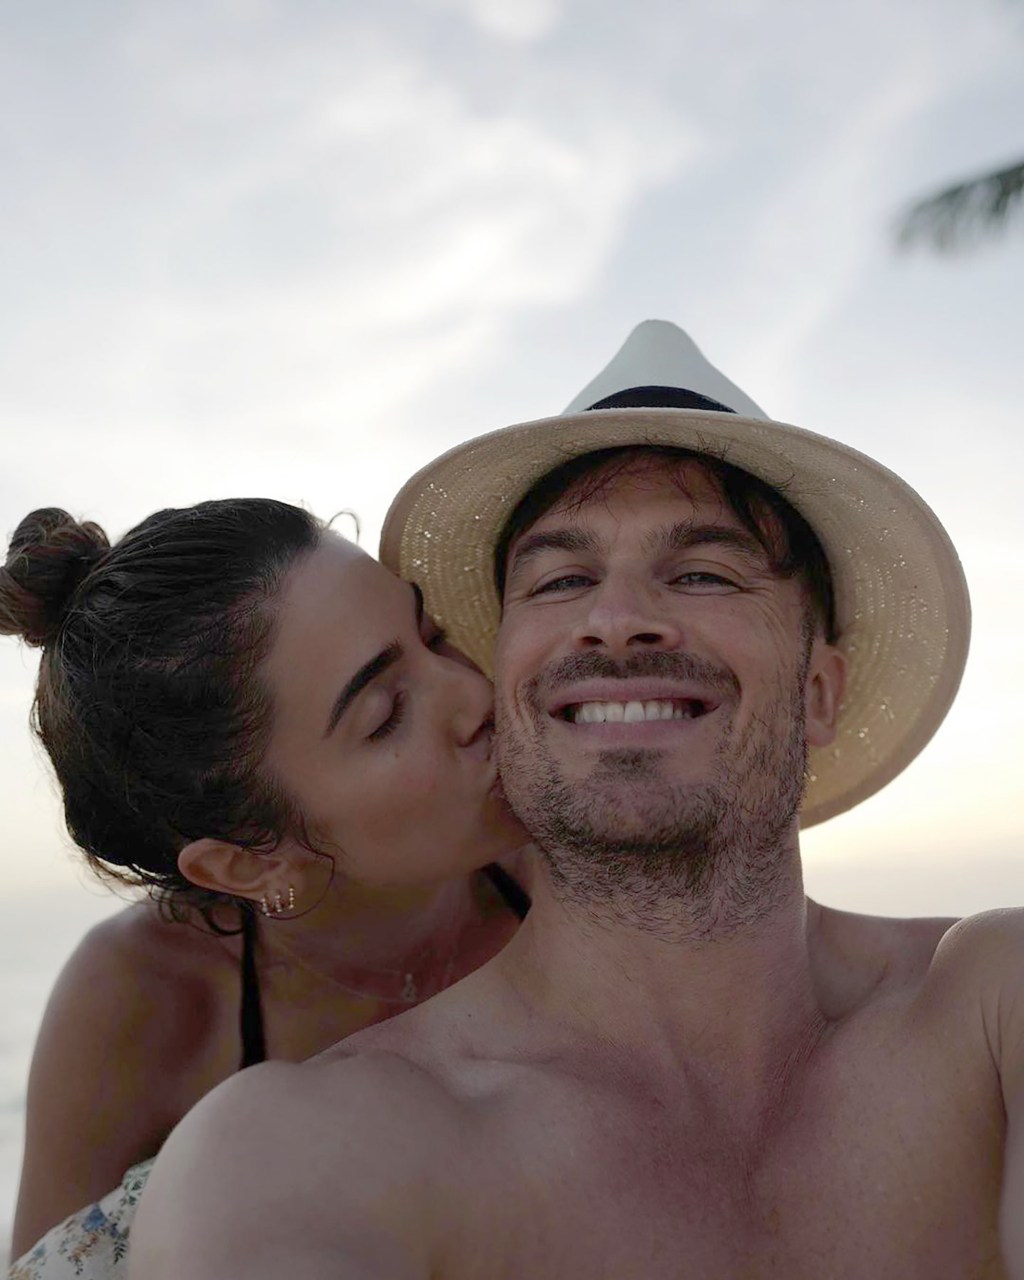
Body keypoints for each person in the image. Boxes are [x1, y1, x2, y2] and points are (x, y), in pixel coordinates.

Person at [129, 321, 1019, 1279]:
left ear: (819, 694)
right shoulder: (304, 1145)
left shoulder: (988, 1009)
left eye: (703, 572)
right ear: (506, 688)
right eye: (561, 580)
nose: (616, 621)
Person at [2, 498, 530, 1273]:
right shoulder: (143, 1000)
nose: (475, 693)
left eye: (432, 635)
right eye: (386, 715)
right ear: (246, 864)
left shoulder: (588, 879)